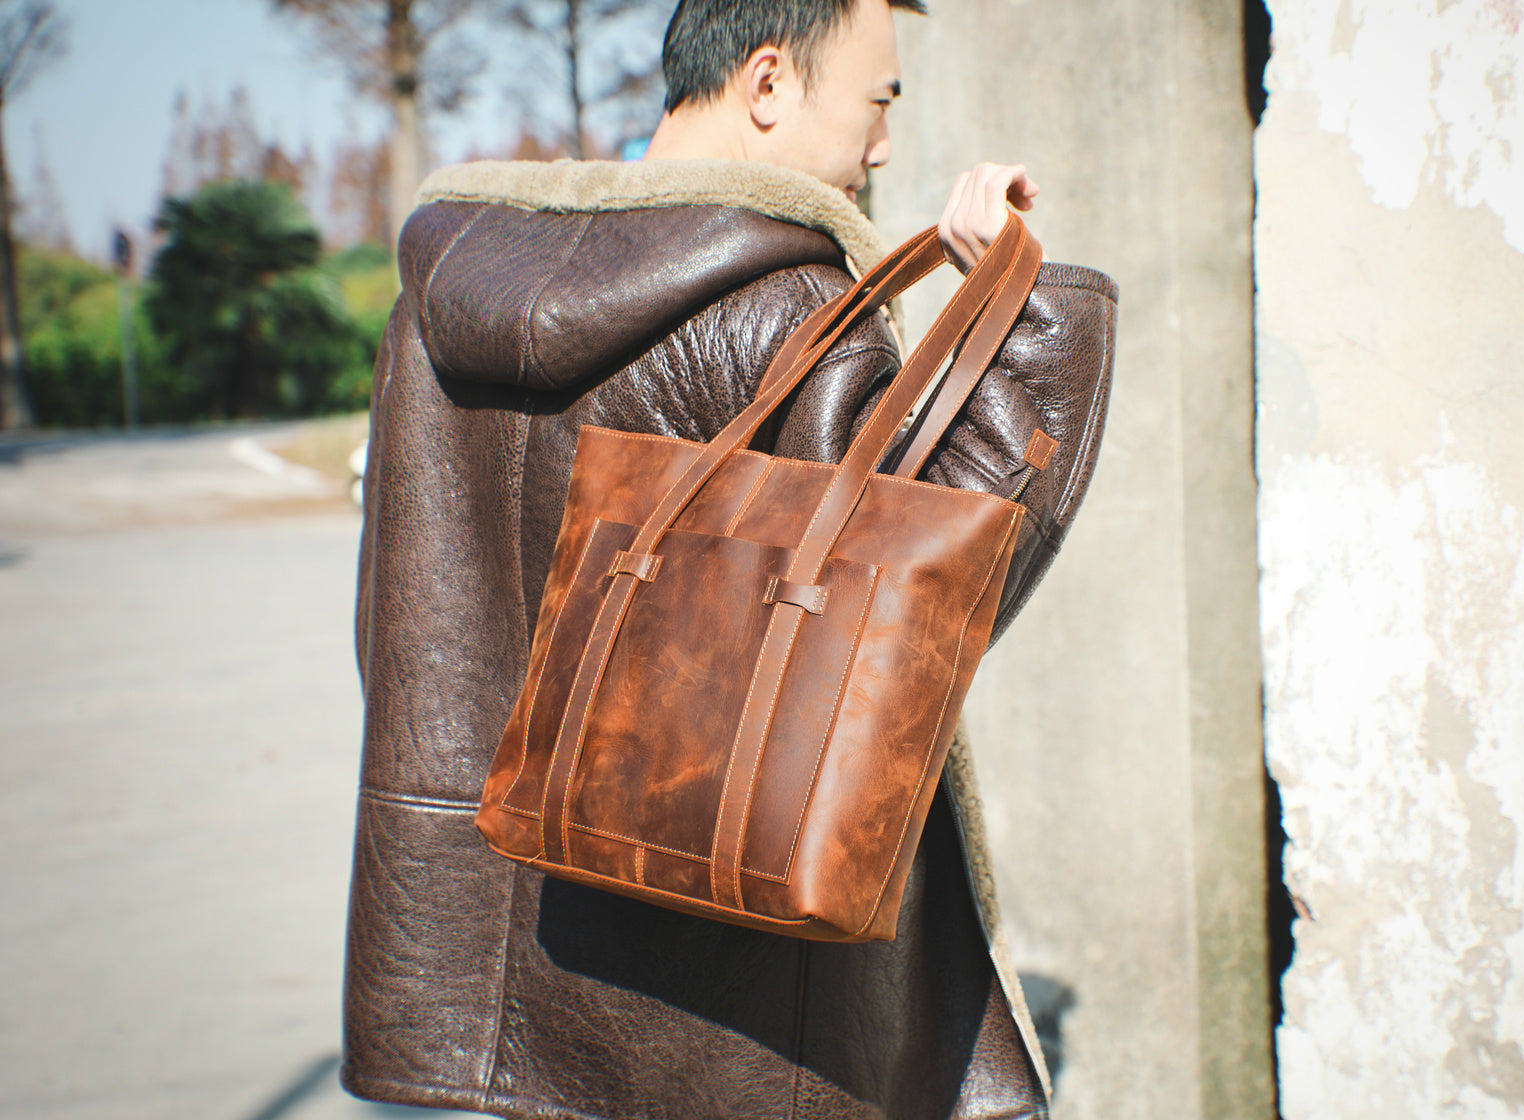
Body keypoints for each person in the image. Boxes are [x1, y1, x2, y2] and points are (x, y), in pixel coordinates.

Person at [342, 1, 1117, 1117]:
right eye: (878, 101)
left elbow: (394, 619)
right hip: (724, 1008)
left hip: (479, 973)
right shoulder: (778, 306)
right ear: (765, 85)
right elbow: (927, 608)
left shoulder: (433, 303)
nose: (883, 144)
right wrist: (1024, 303)